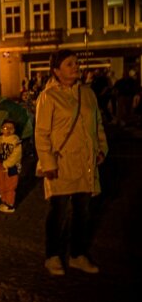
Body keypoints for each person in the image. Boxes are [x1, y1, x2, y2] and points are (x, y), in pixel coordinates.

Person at [35, 50, 108, 276]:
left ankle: (77, 255)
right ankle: (53, 255)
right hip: (61, 162)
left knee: (82, 213)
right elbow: (41, 133)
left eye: (76, 63)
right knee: (58, 212)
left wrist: (102, 149)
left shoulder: (88, 94)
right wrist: (48, 162)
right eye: (69, 64)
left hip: (85, 162)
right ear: (56, 70)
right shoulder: (48, 97)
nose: (75, 67)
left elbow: (98, 125)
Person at [0, 119, 22, 213]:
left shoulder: (15, 140)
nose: (8, 130)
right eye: (5, 128)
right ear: (1, 130)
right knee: (1, 185)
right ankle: (4, 201)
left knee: (10, 186)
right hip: (0, 167)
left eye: (11, 128)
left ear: (14, 130)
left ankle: (9, 204)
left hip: (12, 168)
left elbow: (16, 155)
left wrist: (5, 164)